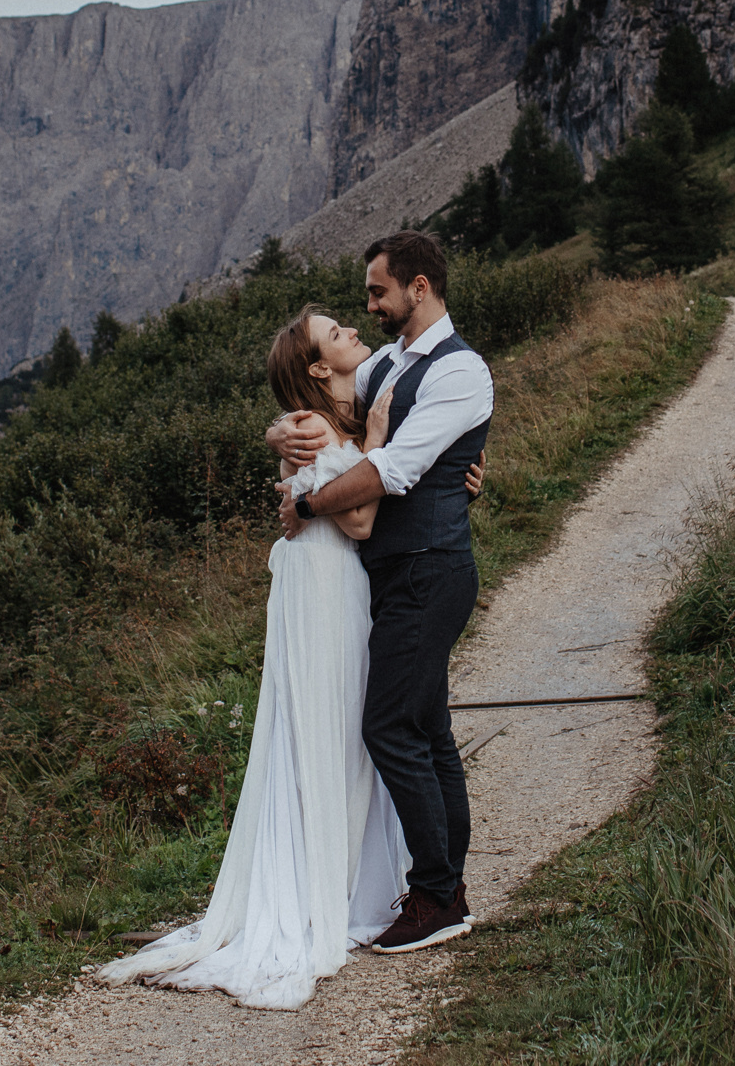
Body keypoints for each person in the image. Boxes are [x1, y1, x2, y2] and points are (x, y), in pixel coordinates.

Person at [95, 300, 445, 1008]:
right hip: (320, 578)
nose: (351, 329)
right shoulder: (315, 424)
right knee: (331, 721)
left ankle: (343, 876)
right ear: (319, 366)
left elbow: (367, 463)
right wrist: (368, 440)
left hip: (329, 577)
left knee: (341, 722)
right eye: (334, 333)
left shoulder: (344, 408)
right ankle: (331, 884)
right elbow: (361, 517)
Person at [267, 230, 492, 954]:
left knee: (388, 726)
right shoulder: (390, 364)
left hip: (429, 569)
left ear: (418, 288)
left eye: (377, 291)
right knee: (428, 732)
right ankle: (444, 887)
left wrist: (305, 505)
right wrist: (283, 432)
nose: (369, 305)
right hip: (394, 575)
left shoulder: (463, 372)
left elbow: (390, 468)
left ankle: (436, 895)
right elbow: (321, 406)